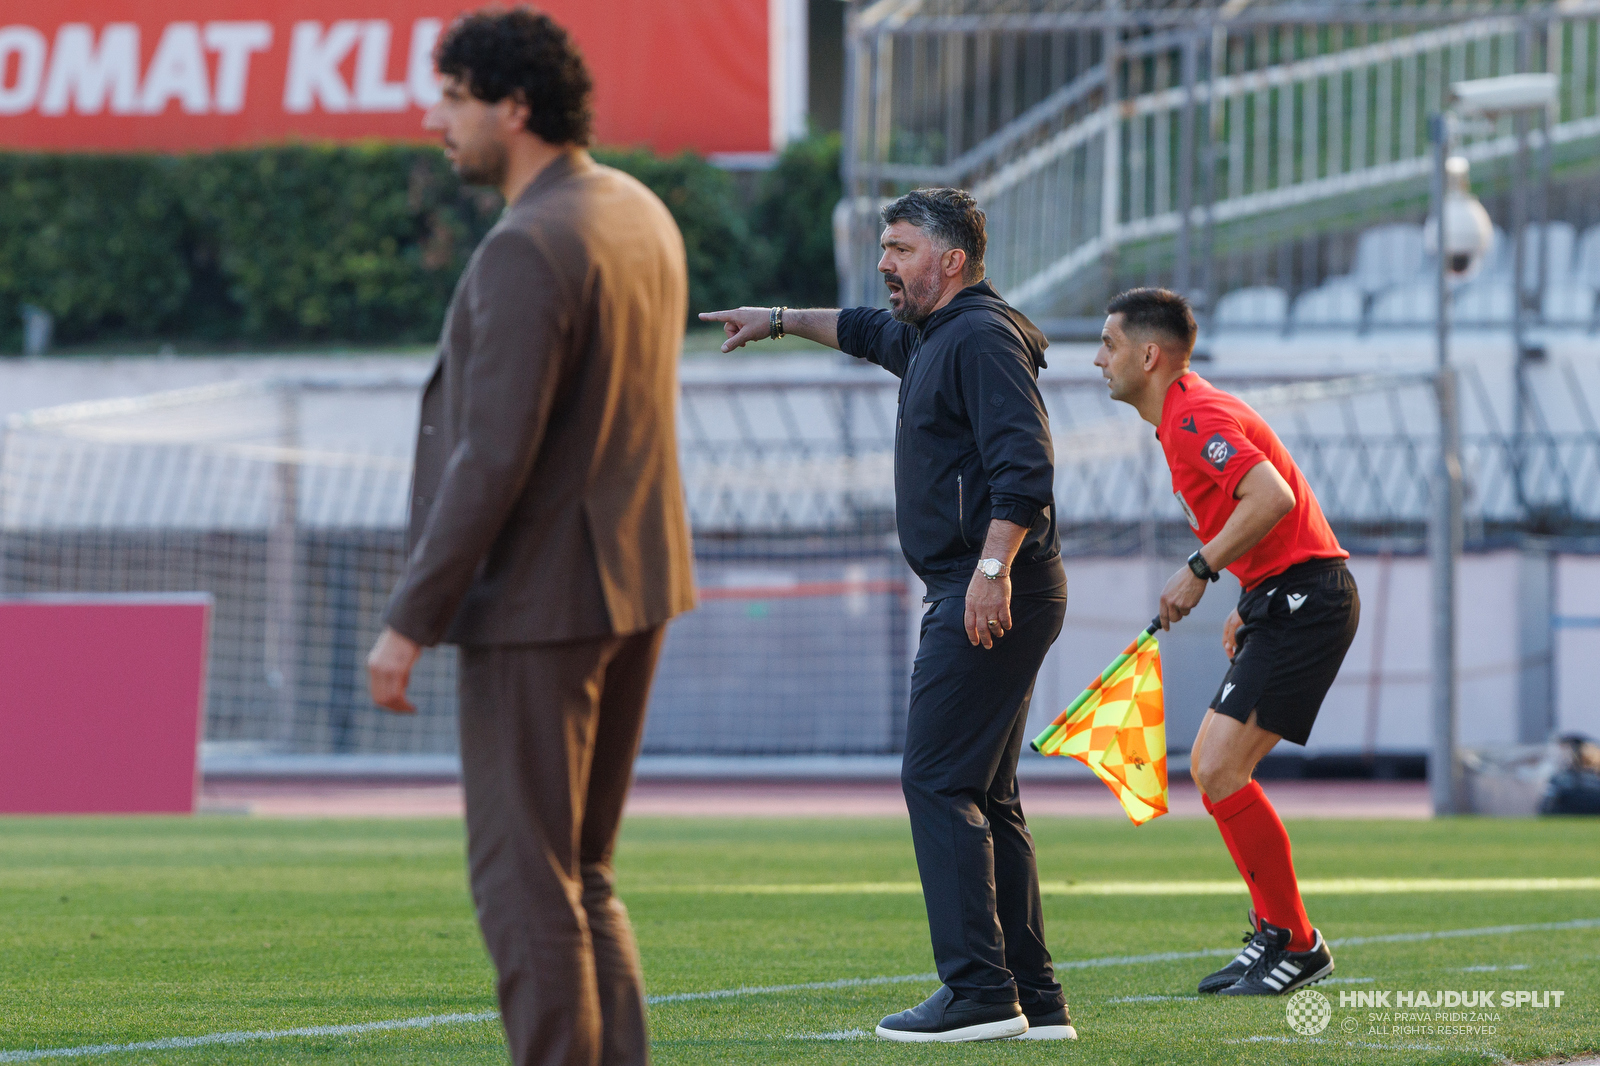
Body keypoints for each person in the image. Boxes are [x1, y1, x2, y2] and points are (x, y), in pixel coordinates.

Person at [365, 10, 695, 1065]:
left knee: (523, 880)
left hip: (539, 604)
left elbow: (489, 458)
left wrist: (407, 619)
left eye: (452, 98)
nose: (435, 121)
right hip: (634, 584)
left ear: (513, 107)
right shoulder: (636, 210)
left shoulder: (529, 242)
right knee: (583, 873)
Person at [700, 188, 1075, 1043]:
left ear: (952, 261)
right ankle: (1033, 997)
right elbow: (867, 329)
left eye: (900, 249)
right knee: (987, 793)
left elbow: (1026, 467)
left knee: (937, 781)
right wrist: (783, 317)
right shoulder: (935, 333)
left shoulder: (977, 338)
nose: (884, 262)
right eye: (884, 247)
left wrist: (990, 570)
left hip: (989, 585)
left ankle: (980, 994)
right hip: (995, 581)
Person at [1093, 287, 1359, 996]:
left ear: (1148, 356)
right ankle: (1278, 933)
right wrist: (1248, 593)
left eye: (1110, 345)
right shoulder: (1182, 412)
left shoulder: (1193, 417)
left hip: (1307, 599)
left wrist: (1201, 569)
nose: (1098, 360)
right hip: (1283, 595)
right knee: (1214, 770)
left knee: (1215, 767)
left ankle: (1297, 943)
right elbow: (1266, 515)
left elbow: (1273, 497)